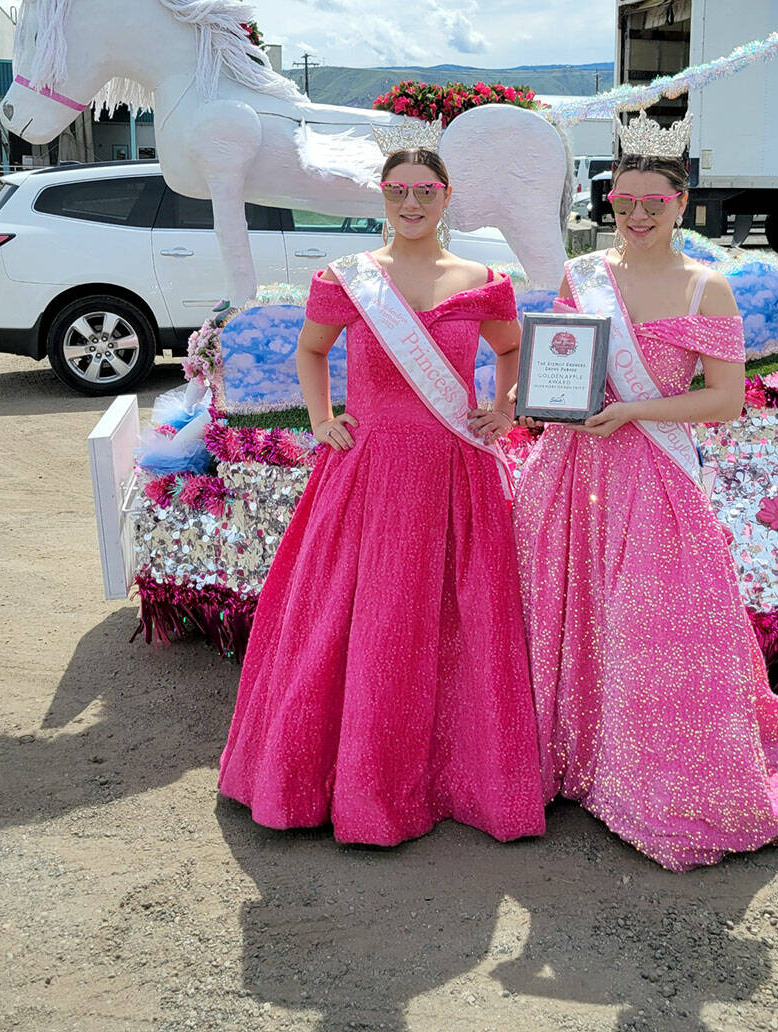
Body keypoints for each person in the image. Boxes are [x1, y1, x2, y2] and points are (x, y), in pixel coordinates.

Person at [219, 146, 545, 846]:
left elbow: (514, 351)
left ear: (447, 195)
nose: (411, 203)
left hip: (456, 469)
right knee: (362, 619)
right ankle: (353, 783)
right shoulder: (347, 280)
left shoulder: (485, 281)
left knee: (457, 620)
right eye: (398, 190)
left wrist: (505, 405)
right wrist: (321, 419)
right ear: (383, 196)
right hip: (369, 473)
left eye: (425, 190)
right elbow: (311, 351)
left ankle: (457, 777)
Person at [514, 149, 778, 872]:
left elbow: (725, 399)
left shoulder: (705, 288)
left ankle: (648, 774)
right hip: (570, 466)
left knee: (655, 621)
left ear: (683, 204)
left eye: (654, 202)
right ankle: (570, 755)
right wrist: (549, 399)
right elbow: (560, 363)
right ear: (609, 205)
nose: (639, 215)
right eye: (624, 203)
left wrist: (632, 410)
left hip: (653, 472)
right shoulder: (581, 276)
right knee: (567, 608)